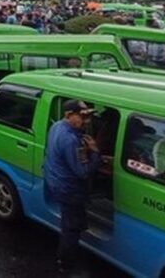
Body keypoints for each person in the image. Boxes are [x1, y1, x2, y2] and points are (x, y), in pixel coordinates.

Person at [43, 99, 103, 272]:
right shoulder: (70, 140)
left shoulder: (56, 126)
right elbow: (83, 172)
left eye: (88, 116)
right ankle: (65, 263)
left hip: (56, 181)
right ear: (69, 115)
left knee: (72, 221)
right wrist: (95, 153)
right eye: (82, 116)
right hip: (69, 189)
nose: (87, 121)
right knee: (71, 229)